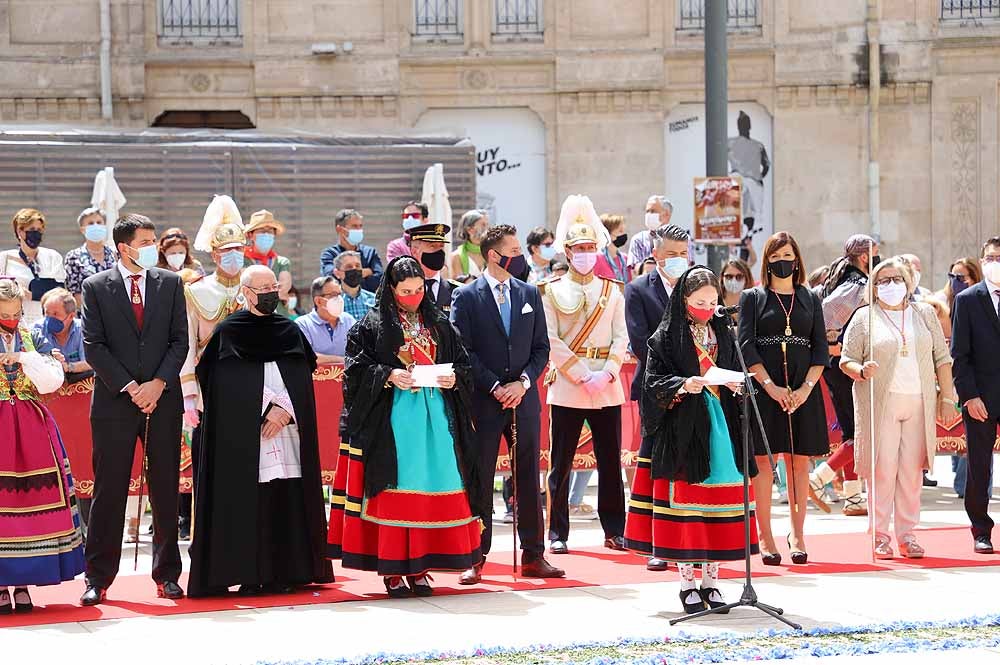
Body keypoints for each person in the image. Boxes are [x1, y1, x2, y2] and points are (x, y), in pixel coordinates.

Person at [327, 256, 484, 597]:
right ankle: (395, 569)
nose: (413, 296)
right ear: (392, 290)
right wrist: (388, 374)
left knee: (436, 486)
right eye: (405, 291)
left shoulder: (440, 323)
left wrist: (454, 376)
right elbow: (354, 373)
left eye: (418, 289)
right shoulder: (371, 326)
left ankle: (422, 567)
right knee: (398, 491)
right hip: (393, 421)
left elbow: (464, 365)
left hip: (438, 419)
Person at [188, 265, 333, 597]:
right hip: (245, 437)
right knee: (250, 503)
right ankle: (249, 573)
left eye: (273, 286)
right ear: (246, 293)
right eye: (262, 287)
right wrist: (261, 408)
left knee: (286, 498)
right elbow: (221, 385)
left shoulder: (289, 330)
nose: (270, 292)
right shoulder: (229, 332)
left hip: (287, 432)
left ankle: (290, 571)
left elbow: (302, 377)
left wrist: (284, 410)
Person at [624, 267, 757, 614]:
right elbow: (651, 385)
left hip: (720, 426)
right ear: (683, 299)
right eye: (700, 302)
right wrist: (682, 385)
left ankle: (712, 582)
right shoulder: (666, 337)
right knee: (689, 505)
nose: (707, 308)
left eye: (713, 302)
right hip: (683, 429)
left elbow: (730, 366)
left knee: (719, 504)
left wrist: (733, 382)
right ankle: (687, 583)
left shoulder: (722, 331)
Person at [80, 213, 189, 605]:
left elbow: (180, 341)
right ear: (124, 247)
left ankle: (168, 574)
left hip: (163, 398)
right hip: (114, 401)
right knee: (109, 489)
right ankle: (97, 576)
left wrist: (157, 384)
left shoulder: (171, 284)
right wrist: (131, 387)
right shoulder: (96, 287)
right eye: (144, 240)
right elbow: (93, 346)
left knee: (164, 487)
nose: (151, 246)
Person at [450, 225, 564, 584]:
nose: (520, 256)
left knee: (528, 476)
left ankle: (534, 553)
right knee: (480, 475)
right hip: (485, 402)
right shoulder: (466, 297)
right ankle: (475, 554)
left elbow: (541, 347)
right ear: (494, 255)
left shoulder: (529, 292)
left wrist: (523, 383)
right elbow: (462, 351)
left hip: (524, 400)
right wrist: (497, 385)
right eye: (513, 250)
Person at [840, 257, 955, 559]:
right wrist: (861, 369)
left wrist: (947, 397)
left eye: (896, 279)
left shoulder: (925, 313)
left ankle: (908, 534)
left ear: (908, 282)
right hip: (883, 401)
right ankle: (880, 535)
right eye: (883, 280)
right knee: (883, 469)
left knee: (910, 472)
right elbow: (845, 360)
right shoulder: (865, 317)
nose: (891, 286)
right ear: (874, 286)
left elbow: (942, 358)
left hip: (919, 399)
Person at [542, 195, 628, 554]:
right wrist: (580, 373)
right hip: (568, 383)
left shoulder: (612, 290)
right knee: (560, 462)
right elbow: (550, 338)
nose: (586, 253)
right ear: (567, 250)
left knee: (610, 462)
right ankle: (557, 531)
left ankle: (614, 529)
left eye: (591, 247)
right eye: (579, 247)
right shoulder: (551, 290)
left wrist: (607, 372)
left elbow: (622, 336)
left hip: (605, 384)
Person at [738, 232, 830, 565]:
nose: (782, 261)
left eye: (787, 254)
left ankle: (798, 533)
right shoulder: (753, 297)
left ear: (797, 259)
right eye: (775, 256)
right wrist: (770, 387)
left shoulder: (810, 298)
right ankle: (765, 535)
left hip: (803, 392)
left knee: (798, 462)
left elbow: (820, 348)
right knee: (764, 462)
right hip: (765, 392)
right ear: (766, 261)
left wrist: (805, 389)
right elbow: (745, 345)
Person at [0, 278, 84, 614]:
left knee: (34, 504)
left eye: (15, 311)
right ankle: (2, 585)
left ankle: (22, 583)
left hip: (30, 426)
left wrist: (22, 357)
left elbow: (52, 379)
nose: (11, 318)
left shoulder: (31, 334)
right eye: (5, 312)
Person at [624, 224, 690, 570]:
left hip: (696, 392)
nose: (678, 261)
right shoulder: (638, 290)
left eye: (683, 254)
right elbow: (640, 343)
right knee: (655, 466)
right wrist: (674, 382)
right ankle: (655, 543)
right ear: (655, 256)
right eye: (671, 255)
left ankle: (691, 538)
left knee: (689, 467)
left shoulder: (700, 286)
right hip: (657, 392)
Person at [812, 234, 880, 517]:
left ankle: (853, 498)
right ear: (865, 256)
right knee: (864, 432)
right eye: (876, 253)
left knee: (852, 432)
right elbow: (825, 315)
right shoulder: (858, 284)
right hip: (846, 366)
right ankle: (816, 480)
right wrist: (831, 344)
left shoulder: (840, 280)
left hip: (841, 364)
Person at [951, 236, 1000, 555]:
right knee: (979, 467)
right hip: (981, 398)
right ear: (982, 262)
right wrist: (969, 396)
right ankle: (980, 530)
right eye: (990, 257)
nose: (995, 262)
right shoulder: (969, 300)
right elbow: (960, 355)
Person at [1, 208, 66, 324]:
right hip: (16, 322)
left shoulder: (52, 256)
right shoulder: (4, 259)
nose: (36, 233)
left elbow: (59, 291)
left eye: (39, 230)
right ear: (20, 231)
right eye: (31, 229)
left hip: (46, 322)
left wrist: (31, 295)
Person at [728, 110, 770, 248]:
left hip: (743, 182)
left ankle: (744, 241)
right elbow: (766, 166)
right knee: (749, 218)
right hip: (747, 183)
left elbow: (766, 165)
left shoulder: (731, 143)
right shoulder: (757, 145)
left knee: (746, 218)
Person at [243, 210, 294, 318]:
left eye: (270, 231)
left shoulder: (282, 262)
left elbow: (283, 287)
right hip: (251, 317)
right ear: (250, 235)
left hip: (279, 317)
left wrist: (261, 289)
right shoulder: (243, 260)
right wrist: (278, 293)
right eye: (261, 230)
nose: (266, 234)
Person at [34, 288, 91, 383]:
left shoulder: (83, 330)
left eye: (55, 314)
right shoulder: (36, 329)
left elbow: (91, 363)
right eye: (47, 313)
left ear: (71, 316)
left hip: (78, 383)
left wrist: (68, 367)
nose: (50, 318)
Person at [295, 276, 356, 364]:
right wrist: (341, 360)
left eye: (340, 294)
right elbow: (307, 356)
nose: (339, 299)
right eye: (334, 295)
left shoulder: (349, 320)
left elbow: (361, 351)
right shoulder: (303, 324)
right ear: (318, 301)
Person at [320, 209, 384, 292]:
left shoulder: (370, 253)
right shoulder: (329, 254)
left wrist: (347, 275)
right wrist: (368, 271)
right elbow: (332, 279)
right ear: (339, 229)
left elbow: (378, 280)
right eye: (354, 226)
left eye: (360, 226)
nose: (359, 230)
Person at [63, 207, 117, 306]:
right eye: (91, 223)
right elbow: (75, 294)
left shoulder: (116, 254)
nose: (96, 225)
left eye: (99, 222)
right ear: (82, 229)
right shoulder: (74, 257)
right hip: (89, 315)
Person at [408, 220, 461, 313]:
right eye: (432, 246)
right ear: (415, 251)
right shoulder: (403, 290)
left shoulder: (457, 292)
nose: (439, 252)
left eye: (441, 246)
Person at [626, 195, 673, 273]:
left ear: (667, 214)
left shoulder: (683, 239)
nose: (649, 215)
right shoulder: (638, 239)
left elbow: (686, 270)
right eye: (647, 211)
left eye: (653, 211)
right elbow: (633, 270)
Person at [329, 250, 377, 320]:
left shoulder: (374, 300)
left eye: (357, 266)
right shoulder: (331, 302)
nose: (354, 269)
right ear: (337, 273)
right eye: (349, 266)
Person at [448, 209, 488, 283]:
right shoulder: (456, 256)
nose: (487, 228)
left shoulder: (491, 253)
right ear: (470, 230)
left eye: (487, 224)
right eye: (483, 225)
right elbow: (458, 284)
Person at [595, 214, 631, 283]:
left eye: (624, 230)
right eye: (620, 231)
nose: (624, 234)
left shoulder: (626, 259)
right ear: (607, 234)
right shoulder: (597, 258)